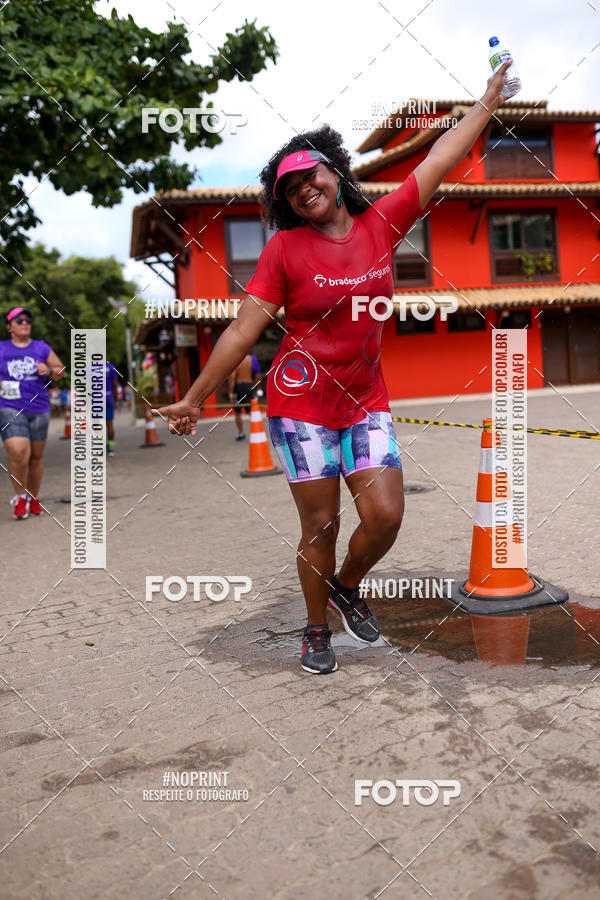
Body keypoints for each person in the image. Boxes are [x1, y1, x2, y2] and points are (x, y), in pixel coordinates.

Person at [153, 60, 513, 674]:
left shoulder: (382, 222)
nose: (301, 190)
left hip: (364, 398)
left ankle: (347, 585)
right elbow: (244, 328)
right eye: (288, 190)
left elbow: (440, 158)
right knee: (320, 524)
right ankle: (316, 629)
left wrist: (486, 103)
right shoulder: (284, 248)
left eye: (307, 175)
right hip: (300, 404)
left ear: (333, 172)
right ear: (285, 204)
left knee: (386, 516)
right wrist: (195, 398)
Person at [0, 307, 65, 519]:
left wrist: (49, 371)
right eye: (19, 320)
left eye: (27, 319)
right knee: (19, 452)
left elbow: (61, 371)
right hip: (9, 407)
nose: (25, 322)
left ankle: (32, 497)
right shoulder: (2, 348)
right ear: (9, 326)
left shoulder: (41, 347)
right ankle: (20, 498)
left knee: (36, 457)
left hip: (39, 408)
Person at [227, 353, 261, 440]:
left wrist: (231, 392)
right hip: (248, 386)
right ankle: (258, 432)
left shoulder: (235, 359)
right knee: (251, 411)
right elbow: (257, 375)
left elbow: (232, 377)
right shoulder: (252, 359)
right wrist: (258, 388)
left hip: (238, 388)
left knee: (238, 412)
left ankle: (241, 433)